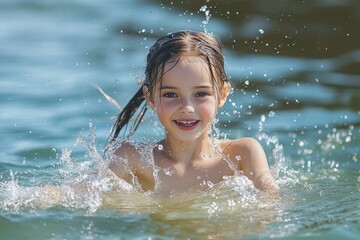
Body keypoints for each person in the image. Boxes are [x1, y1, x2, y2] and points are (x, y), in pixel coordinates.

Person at [107, 30, 279, 196]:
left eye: (201, 94)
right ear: (150, 98)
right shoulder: (132, 159)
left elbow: (272, 203)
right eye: (171, 95)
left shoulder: (241, 155)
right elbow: (87, 199)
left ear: (222, 94)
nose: (187, 107)